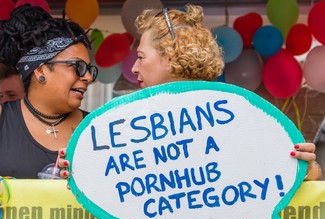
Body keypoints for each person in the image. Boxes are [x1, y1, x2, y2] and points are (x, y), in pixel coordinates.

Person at [58, 4, 322, 181]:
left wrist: (306, 168)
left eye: (140, 57)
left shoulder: (236, 118)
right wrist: (79, 173)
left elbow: (285, 177)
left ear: (171, 58)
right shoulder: (124, 125)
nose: (134, 68)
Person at [0, 4, 98, 179]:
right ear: (40, 71)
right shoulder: (4, 119)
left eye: (90, 69)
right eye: (78, 66)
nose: (89, 77)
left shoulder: (97, 128)